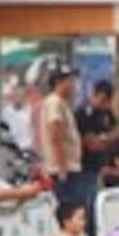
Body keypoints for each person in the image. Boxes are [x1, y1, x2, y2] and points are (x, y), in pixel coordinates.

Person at [40, 63, 88, 212]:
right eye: (70, 81)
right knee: (70, 208)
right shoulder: (54, 103)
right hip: (63, 168)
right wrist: (61, 167)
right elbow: (56, 136)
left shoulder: (63, 103)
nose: (73, 85)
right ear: (59, 82)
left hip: (70, 166)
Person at [75, 79, 119, 192]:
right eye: (102, 99)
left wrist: (105, 140)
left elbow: (116, 134)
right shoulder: (83, 114)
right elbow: (91, 143)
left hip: (103, 165)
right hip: (85, 166)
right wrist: (104, 140)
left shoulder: (106, 114)